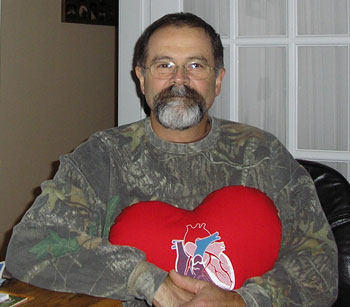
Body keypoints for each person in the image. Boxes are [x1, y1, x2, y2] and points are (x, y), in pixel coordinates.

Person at [5, 12, 338, 306]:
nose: (179, 80)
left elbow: (320, 264)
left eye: (195, 65)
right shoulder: (102, 156)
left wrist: (245, 300)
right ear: (141, 78)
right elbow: (31, 245)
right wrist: (149, 282)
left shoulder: (262, 154)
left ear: (218, 80)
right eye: (164, 65)